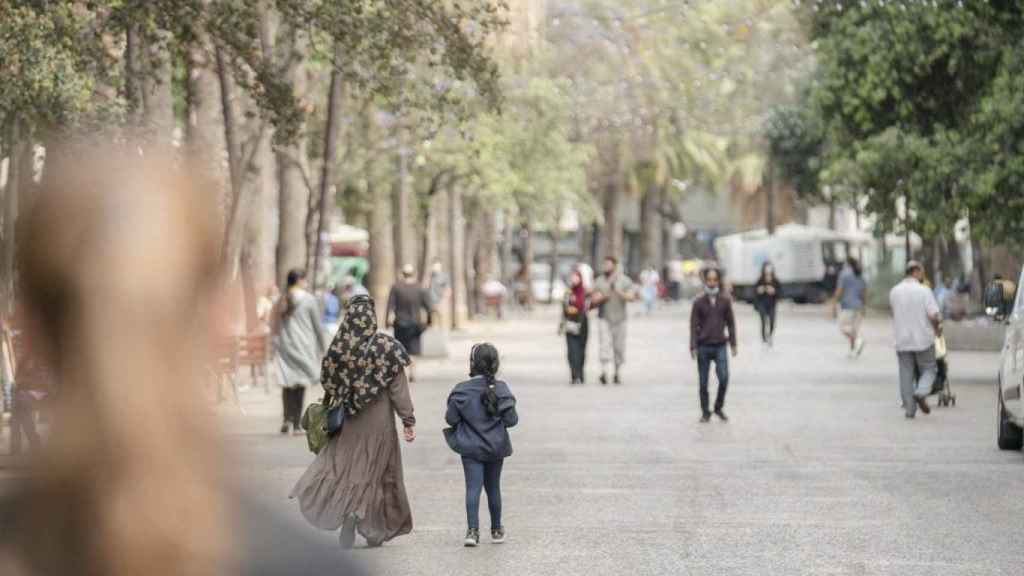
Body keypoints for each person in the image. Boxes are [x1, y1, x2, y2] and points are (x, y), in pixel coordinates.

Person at [291, 295, 416, 549]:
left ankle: (349, 512)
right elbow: (398, 388)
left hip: (348, 422)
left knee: (345, 470)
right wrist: (407, 419)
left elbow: (328, 382)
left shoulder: (339, 348)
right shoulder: (387, 348)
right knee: (377, 472)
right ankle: (370, 527)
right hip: (380, 424)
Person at [444, 343, 518, 547]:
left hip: (470, 447)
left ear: (472, 364)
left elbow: (451, 419)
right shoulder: (502, 389)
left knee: (473, 488)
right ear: (496, 364)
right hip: (496, 446)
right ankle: (496, 530)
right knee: (493, 488)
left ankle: (472, 532)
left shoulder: (461, 390)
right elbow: (512, 420)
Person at [272, 269, 328, 435]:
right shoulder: (309, 300)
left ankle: (286, 419)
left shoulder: (280, 299)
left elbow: (274, 323)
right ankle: (296, 424)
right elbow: (317, 326)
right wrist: (323, 347)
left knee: (287, 382)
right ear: (300, 280)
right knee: (300, 384)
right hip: (304, 345)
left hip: (285, 346)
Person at [889, 260, 943, 419]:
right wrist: (937, 329)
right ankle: (921, 392)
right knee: (929, 369)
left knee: (905, 374)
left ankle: (910, 409)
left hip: (902, 340)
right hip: (923, 339)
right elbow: (933, 315)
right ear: (916, 272)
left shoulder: (894, 291)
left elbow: (893, 313)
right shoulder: (924, 291)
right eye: (921, 273)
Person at [690, 268, 738, 423]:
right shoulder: (698, 302)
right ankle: (705, 412)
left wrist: (733, 343)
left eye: (714, 279)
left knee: (724, 377)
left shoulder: (725, 300)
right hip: (703, 345)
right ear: (705, 281)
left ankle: (718, 407)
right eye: (709, 280)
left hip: (720, 345)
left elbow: (731, 323)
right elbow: (693, 325)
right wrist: (693, 346)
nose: (711, 283)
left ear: (718, 281)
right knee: (703, 382)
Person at [592, 257, 636, 385]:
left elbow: (632, 297)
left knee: (619, 347)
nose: (605, 267)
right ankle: (604, 372)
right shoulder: (599, 281)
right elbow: (594, 299)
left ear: (614, 266)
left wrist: (618, 291)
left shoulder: (625, 280)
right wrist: (604, 296)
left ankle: (617, 372)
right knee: (604, 345)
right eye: (604, 264)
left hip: (620, 319)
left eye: (608, 264)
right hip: (604, 318)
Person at [387, 264, 433, 358]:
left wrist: (387, 322)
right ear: (414, 274)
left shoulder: (396, 287)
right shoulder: (420, 288)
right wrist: (429, 322)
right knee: (414, 353)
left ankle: (404, 366)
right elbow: (429, 308)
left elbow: (390, 306)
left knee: (400, 352)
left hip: (400, 325)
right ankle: (412, 366)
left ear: (403, 274)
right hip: (415, 325)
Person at [833, 257, 868, 358]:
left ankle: (858, 340)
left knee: (843, 328)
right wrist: (864, 306)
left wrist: (834, 303)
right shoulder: (861, 275)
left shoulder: (844, 274)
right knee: (854, 330)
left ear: (847, 263)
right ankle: (853, 350)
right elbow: (863, 293)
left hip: (847, 306)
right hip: (859, 306)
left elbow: (839, 290)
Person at [561, 269, 591, 385]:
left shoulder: (585, 291)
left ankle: (581, 373)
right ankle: (574, 375)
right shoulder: (568, 292)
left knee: (581, 350)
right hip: (570, 323)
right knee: (571, 351)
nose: (574, 279)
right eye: (572, 277)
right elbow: (564, 307)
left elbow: (588, 305)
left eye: (576, 277)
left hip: (582, 322)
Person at [754, 262, 781, 348]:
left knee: (772, 321)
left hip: (772, 304)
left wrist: (774, 291)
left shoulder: (775, 281)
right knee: (763, 321)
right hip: (762, 304)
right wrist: (759, 290)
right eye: (766, 270)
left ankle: (769, 336)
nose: (768, 272)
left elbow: (780, 293)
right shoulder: (760, 280)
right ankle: (764, 338)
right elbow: (754, 292)